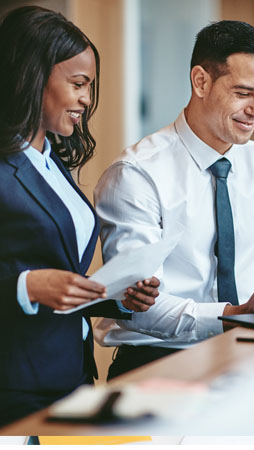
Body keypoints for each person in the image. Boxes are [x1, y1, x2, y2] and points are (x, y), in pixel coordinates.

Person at [94, 20, 254, 379]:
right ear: (201, 81)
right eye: (244, 92)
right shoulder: (137, 173)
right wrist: (236, 313)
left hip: (247, 358)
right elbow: (139, 307)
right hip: (157, 365)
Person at [0, 6, 159, 427]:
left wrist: (115, 295)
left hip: (74, 374)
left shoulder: (50, 163)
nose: (87, 100)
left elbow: (59, 273)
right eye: (78, 84)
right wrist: (26, 285)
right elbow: (34, 278)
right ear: (32, 76)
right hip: (15, 385)